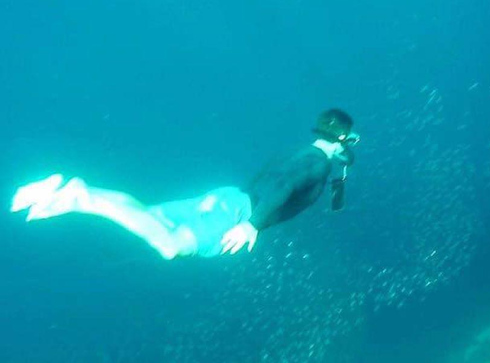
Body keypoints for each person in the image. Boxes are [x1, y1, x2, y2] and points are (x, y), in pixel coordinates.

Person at [9, 109, 359, 260]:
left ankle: (78, 195)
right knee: (171, 246)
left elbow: (278, 176)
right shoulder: (316, 164)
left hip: (228, 197)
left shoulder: (302, 153)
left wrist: (339, 166)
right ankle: (82, 197)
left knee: (148, 216)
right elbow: (283, 185)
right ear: (344, 137)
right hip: (241, 211)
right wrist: (251, 225)